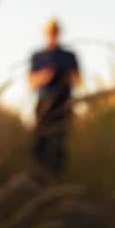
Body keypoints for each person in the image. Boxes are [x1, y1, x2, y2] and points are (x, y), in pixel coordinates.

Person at [28, 18, 80, 175]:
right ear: (45, 33)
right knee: (40, 143)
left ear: (59, 32)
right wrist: (44, 77)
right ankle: (39, 181)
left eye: (55, 31)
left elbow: (78, 79)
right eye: (50, 32)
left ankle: (57, 181)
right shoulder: (37, 56)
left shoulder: (69, 56)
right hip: (43, 105)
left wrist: (66, 76)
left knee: (59, 145)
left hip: (63, 104)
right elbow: (30, 80)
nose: (53, 35)